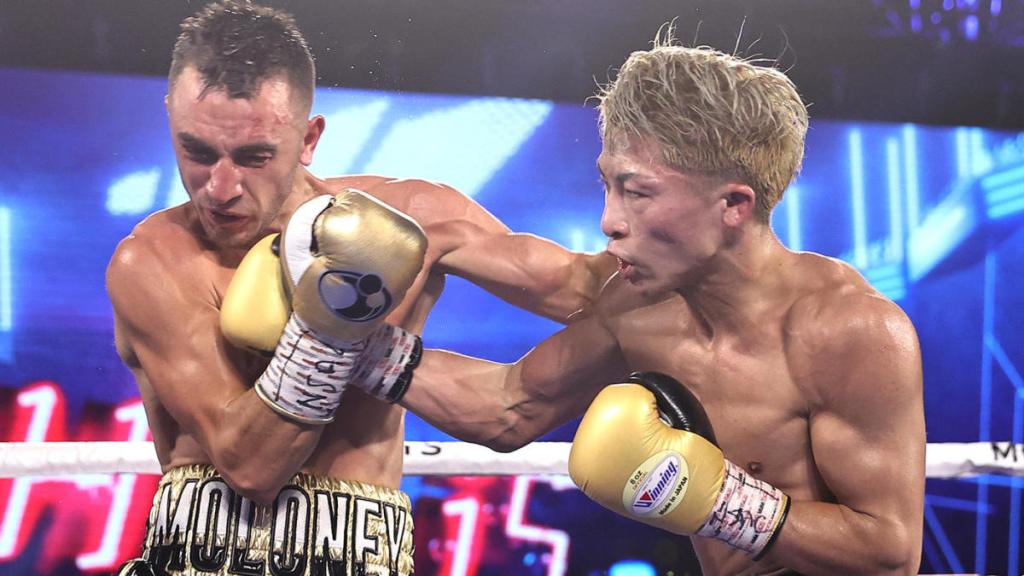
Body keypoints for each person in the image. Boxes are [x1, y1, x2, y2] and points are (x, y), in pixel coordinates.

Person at [393, 30, 927, 575]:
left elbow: (890, 554)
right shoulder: (639, 306)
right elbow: (510, 406)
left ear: (733, 205)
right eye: (608, 186)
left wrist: (722, 502)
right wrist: (356, 343)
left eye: (637, 192)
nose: (609, 220)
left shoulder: (849, 330)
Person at [106, 2, 613, 575]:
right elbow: (251, 466)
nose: (220, 188)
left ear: (308, 139)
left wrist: (683, 245)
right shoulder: (153, 261)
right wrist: (330, 327)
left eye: (254, 157)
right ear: (170, 117)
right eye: (197, 151)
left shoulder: (414, 218)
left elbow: (599, 293)